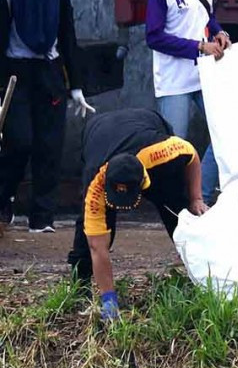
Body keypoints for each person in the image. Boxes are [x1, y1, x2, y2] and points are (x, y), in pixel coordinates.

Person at [66, 108, 209, 322]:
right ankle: (80, 283)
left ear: (143, 182)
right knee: (88, 230)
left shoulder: (164, 151)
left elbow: (192, 156)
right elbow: (97, 245)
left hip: (146, 123)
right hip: (98, 130)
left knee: (178, 211)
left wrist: (196, 198)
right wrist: (108, 298)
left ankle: (204, 277)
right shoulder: (96, 181)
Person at [0, 0, 93, 234]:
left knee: (49, 145)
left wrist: (76, 86)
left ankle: (42, 216)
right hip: (16, 76)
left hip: (49, 74)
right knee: (19, 140)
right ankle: (4, 196)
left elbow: (68, 39)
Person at [146, 0, 229, 204]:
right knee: (172, 149)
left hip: (204, 75)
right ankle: (172, 204)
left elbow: (206, 17)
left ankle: (199, 198)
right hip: (174, 81)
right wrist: (198, 47)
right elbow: (154, 37)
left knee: (224, 136)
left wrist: (219, 33)